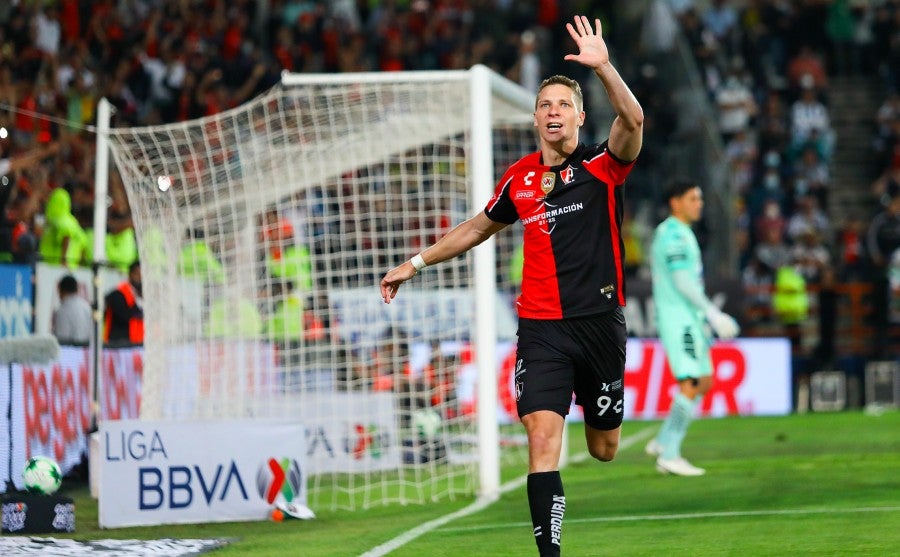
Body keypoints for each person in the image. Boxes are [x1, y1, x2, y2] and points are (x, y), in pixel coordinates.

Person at [380, 15, 643, 557]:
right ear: (535, 118)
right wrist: (417, 262)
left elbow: (634, 120)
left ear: (580, 115)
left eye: (563, 105)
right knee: (542, 441)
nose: (554, 112)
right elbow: (478, 227)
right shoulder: (519, 178)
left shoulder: (602, 164)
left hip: (599, 325)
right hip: (541, 330)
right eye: (545, 104)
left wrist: (603, 67)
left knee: (604, 448)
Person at [645, 179, 741, 476]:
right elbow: (682, 282)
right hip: (679, 317)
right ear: (675, 202)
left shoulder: (681, 232)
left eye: (699, 198)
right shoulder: (672, 234)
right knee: (692, 382)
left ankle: (663, 442)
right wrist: (712, 312)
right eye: (692, 199)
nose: (698, 204)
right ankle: (670, 454)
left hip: (689, 318)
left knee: (706, 381)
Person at [104, 260, 144, 346]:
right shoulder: (118, 294)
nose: (140, 278)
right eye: (137, 274)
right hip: (119, 344)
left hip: (137, 344)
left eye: (142, 276)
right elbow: (124, 316)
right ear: (130, 274)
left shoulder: (141, 295)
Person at [52, 274, 93, 345]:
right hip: (86, 351)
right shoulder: (86, 306)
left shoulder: (63, 310)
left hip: (71, 352)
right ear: (77, 289)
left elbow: (62, 339)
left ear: (61, 291)